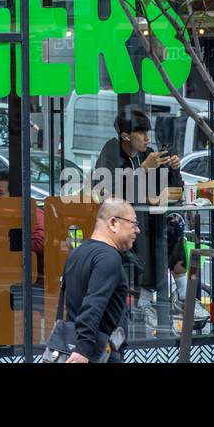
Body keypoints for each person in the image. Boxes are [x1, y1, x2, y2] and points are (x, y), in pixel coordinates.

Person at [93, 106, 182, 332]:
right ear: (125, 136)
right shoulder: (111, 152)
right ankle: (145, 299)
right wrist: (143, 169)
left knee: (173, 230)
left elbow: (169, 190)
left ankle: (182, 295)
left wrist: (173, 169)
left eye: (147, 132)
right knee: (150, 240)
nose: (146, 137)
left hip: (146, 222)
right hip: (117, 226)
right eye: (140, 132)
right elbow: (109, 191)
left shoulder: (147, 153)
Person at [56, 198, 137, 363]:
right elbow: (94, 303)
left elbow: (66, 303)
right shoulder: (109, 257)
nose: (137, 230)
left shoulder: (76, 253)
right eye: (133, 223)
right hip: (96, 354)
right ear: (113, 222)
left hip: (72, 348)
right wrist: (83, 350)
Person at [0, 171, 45, 285]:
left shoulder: (35, 215)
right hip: (11, 278)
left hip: (37, 283)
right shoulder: (5, 217)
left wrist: (8, 243)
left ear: (14, 195)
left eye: (0, 193)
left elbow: (39, 243)